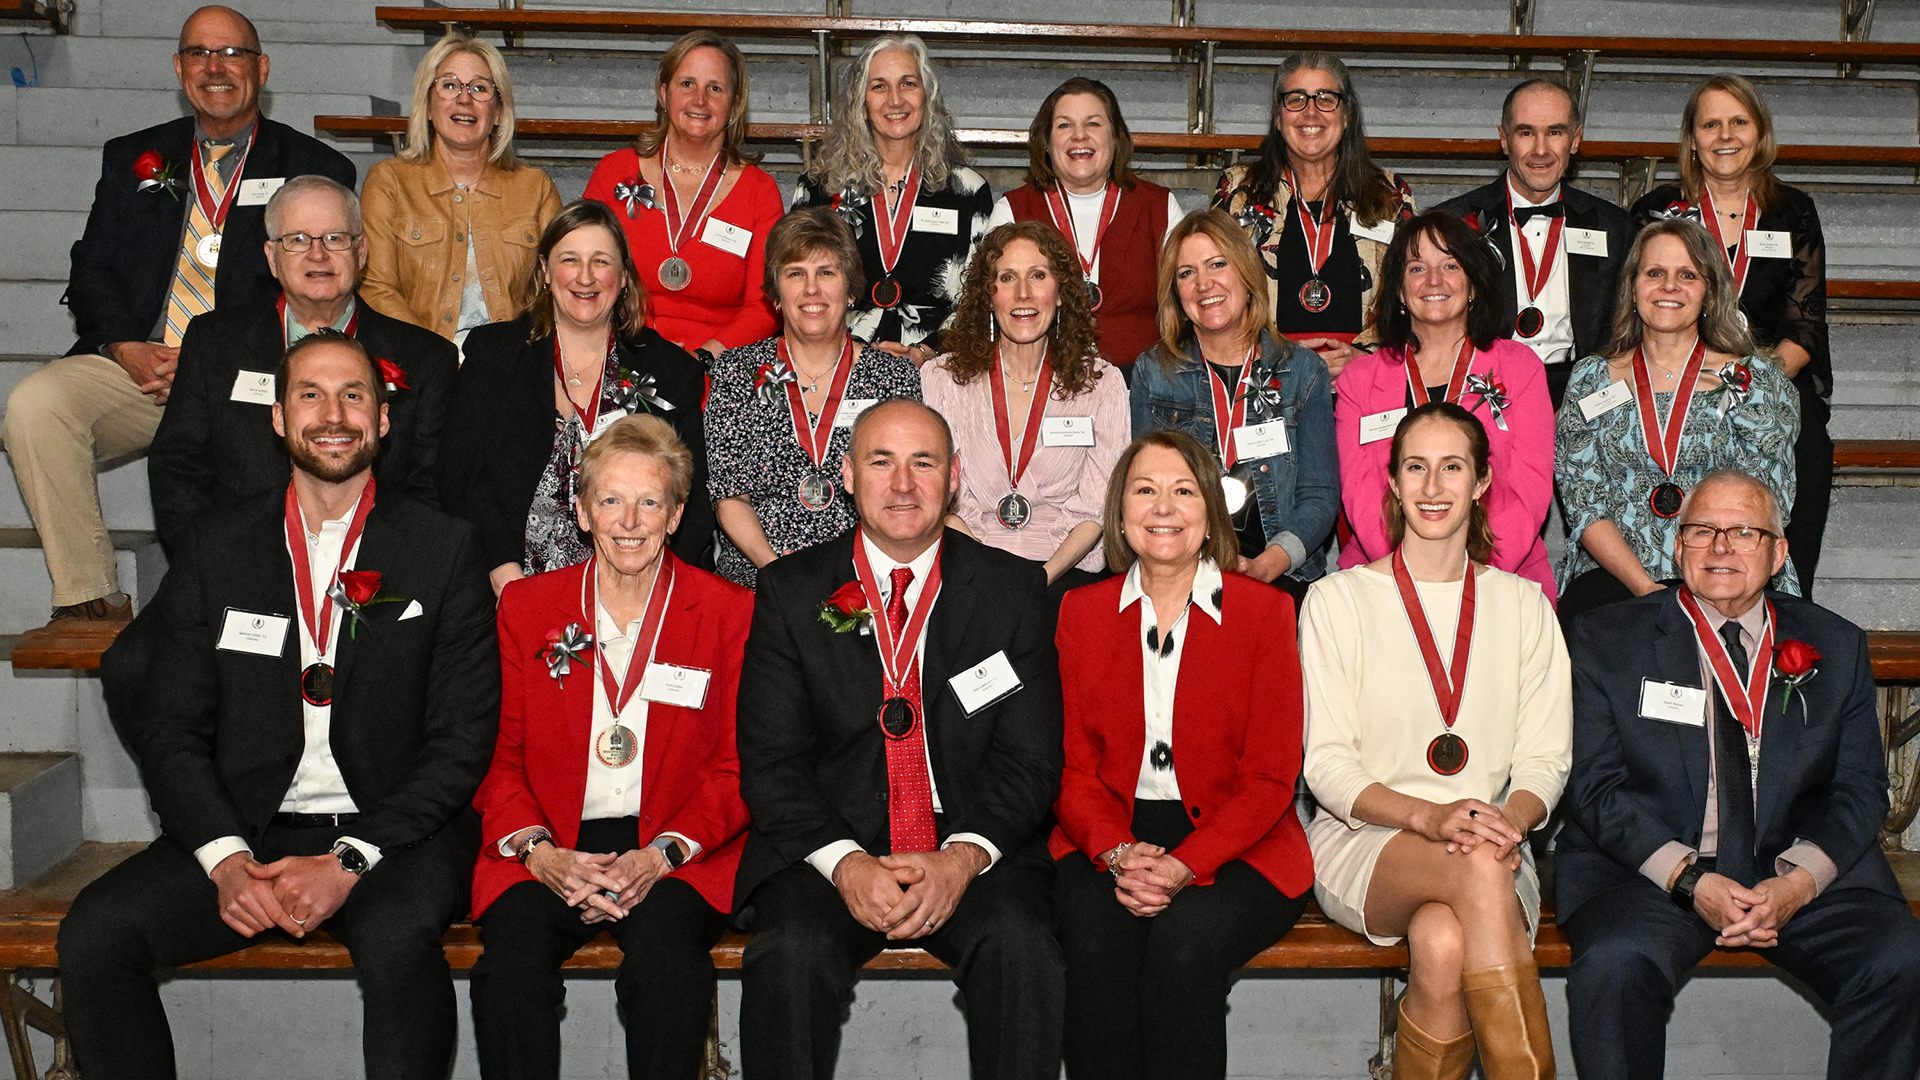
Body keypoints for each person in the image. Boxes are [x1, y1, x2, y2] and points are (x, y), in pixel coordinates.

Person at [62, 332, 499, 1078]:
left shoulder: (444, 547)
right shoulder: (217, 545)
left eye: (354, 395)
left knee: (399, 938)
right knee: (96, 932)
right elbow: (172, 726)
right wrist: (227, 860)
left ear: (384, 419)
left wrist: (347, 861)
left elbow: (461, 742)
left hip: (392, 836)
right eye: (311, 395)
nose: (334, 415)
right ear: (277, 418)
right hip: (252, 830)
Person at [734, 397, 1066, 1080]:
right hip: (829, 846)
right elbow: (773, 764)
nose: (904, 484)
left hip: (968, 846)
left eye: (924, 463)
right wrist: (848, 864)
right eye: (881, 462)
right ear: (849, 475)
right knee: (788, 954)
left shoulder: (1013, 590)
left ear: (953, 477)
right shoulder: (795, 593)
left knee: (1022, 947)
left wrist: (959, 860)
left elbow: (1030, 762)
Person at [1557, 469, 1920, 1080]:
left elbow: (1861, 789)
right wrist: (1688, 879)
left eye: (1744, 532)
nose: (1721, 547)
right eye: (1703, 530)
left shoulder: (1834, 643)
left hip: (1791, 870)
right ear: (1676, 545)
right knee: (1615, 963)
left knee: (1901, 959)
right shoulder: (1605, 640)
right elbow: (1594, 788)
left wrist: (1799, 884)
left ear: (1779, 553)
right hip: (1651, 874)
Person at [3, 4, 354, 631]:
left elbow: (315, 291)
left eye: (232, 54)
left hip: (250, 373)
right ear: (179, 67)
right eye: (200, 54)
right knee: (36, 404)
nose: (215, 68)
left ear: (261, 68)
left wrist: (212, 358)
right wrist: (122, 347)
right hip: (145, 364)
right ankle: (90, 597)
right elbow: (92, 270)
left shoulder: (314, 167)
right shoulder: (134, 158)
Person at [469, 414, 752, 1080]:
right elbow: (498, 757)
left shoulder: (728, 611)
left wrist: (659, 856)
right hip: (551, 839)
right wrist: (540, 855)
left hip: (673, 847)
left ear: (677, 514)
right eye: (611, 501)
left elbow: (739, 767)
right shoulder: (527, 607)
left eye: (650, 501)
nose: (630, 521)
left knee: (667, 971)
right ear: (583, 511)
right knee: (507, 972)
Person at [1301, 402, 1571, 1080]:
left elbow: (1546, 758)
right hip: (1364, 837)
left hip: (1496, 838)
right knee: (1477, 872)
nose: (1432, 487)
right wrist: (1428, 816)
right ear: (1391, 482)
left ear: (1481, 482)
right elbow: (1326, 765)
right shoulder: (1336, 601)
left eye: (1452, 467)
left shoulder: (1524, 605)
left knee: (1443, 941)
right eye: (1415, 468)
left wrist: (1507, 822)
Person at [1051, 430, 1313, 1080]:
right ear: (1119, 512)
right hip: (1107, 831)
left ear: (1210, 512)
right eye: (1145, 490)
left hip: (1236, 838)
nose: (1163, 507)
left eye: (1182, 490)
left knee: (1183, 943)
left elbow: (1271, 777)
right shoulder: (1078, 614)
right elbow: (1068, 768)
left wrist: (1179, 867)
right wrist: (1116, 851)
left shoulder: (1266, 613)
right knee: (1093, 938)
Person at [150, 175, 457, 557]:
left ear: (361, 252)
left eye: (335, 238)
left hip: (377, 572)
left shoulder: (426, 357)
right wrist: (213, 564)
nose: (318, 254)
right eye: (297, 240)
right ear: (271, 258)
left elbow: (430, 487)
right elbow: (179, 467)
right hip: (240, 560)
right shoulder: (215, 343)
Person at [440, 200, 713, 595]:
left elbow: (695, 496)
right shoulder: (493, 356)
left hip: (641, 586)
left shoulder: (671, 371)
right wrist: (505, 575)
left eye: (601, 262)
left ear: (622, 277)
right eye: (570, 260)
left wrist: (652, 587)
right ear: (546, 272)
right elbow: (460, 479)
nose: (585, 278)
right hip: (510, 586)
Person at [1631, 75, 1833, 596]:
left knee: (1807, 440)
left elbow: (1805, 326)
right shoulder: (1658, 210)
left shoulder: (1793, 211)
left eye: (1739, 121)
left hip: (1767, 378)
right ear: (1692, 138)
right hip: (1674, 380)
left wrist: (1745, 382)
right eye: (1711, 123)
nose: (1726, 135)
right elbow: (1640, 308)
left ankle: (1787, 600)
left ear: (1759, 133)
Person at [1555, 217, 1800, 621]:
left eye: (1687, 274)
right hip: (1616, 578)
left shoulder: (1754, 381)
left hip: (1729, 572)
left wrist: (1706, 585)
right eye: (1655, 273)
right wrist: (1647, 590)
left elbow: (1766, 504)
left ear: (1708, 292)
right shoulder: (1591, 378)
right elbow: (1585, 506)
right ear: (1633, 288)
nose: (1669, 286)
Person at [1336, 211, 1556, 602]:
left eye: (1450, 265)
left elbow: (1529, 493)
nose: (1433, 281)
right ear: (1400, 291)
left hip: (1501, 575)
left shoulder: (1520, 369)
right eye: (1417, 267)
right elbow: (1362, 498)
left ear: (1472, 284)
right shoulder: (1359, 381)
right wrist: (1409, 577)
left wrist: (1473, 576)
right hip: (1382, 580)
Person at [1131, 209, 1338, 606]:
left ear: (1245, 272)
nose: (1203, 284)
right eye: (1186, 273)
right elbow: (1143, 494)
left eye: (1217, 264)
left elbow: (1319, 495)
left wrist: (1267, 565)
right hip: (1180, 579)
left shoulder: (1302, 370)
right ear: (1175, 291)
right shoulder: (1153, 372)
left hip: (1281, 578)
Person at [704, 208, 920, 589]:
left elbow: (903, 494)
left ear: (851, 289)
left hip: (865, 578)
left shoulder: (893, 377)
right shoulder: (736, 373)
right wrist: (778, 572)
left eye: (826, 272)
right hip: (759, 578)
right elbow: (729, 498)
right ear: (775, 293)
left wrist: (859, 572)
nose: (811, 290)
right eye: (795, 274)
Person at [921, 221, 1129, 590]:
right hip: (969, 573)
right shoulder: (942, 379)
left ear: (1061, 292)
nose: (1022, 294)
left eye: (1037, 275)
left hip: (1065, 576)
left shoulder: (1102, 383)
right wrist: (987, 575)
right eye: (1007, 278)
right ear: (988, 294)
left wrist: (1039, 579)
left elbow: (1100, 504)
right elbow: (938, 495)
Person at [790, 34, 993, 366]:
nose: (895, 100)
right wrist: (845, 351)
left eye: (908, 84)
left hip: (936, 365)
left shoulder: (967, 191)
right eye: (879, 86)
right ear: (861, 104)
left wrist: (927, 351)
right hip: (836, 360)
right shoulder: (819, 189)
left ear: (927, 98)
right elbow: (795, 286)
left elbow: (981, 299)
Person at [1435, 78, 1637, 409]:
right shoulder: (1455, 222)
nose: (1541, 150)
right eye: (1526, 132)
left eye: (1555, 132)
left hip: (1582, 393)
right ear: (1504, 139)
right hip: (1481, 388)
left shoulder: (1614, 227)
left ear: (1576, 139)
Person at [1212, 51, 1413, 378]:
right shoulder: (1240, 192)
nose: (1310, 111)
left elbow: (1412, 294)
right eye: (1296, 99)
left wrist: (1365, 359)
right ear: (1278, 117)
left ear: (1346, 115)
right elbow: (1216, 289)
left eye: (1325, 98)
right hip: (1266, 377)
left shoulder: (1389, 195)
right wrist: (1276, 356)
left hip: (1364, 379)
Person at [584, 31, 781, 361]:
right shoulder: (614, 173)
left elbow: (764, 305)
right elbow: (585, 275)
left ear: (734, 105)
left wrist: (703, 357)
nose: (700, 99)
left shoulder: (759, 192)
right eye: (687, 84)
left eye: (715, 88)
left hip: (718, 367)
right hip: (622, 354)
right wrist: (639, 350)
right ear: (664, 93)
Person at [360, 33, 562, 348]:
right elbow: (377, 289)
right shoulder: (389, 182)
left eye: (480, 88)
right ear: (427, 104)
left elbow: (555, 290)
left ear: (497, 112)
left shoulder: (535, 188)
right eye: (450, 85)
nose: (464, 99)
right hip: (419, 362)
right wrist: (436, 359)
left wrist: (512, 358)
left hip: (511, 363)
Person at [985, 77, 1182, 376]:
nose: (1079, 136)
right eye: (1064, 125)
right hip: (1041, 382)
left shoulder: (1160, 207)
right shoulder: (1012, 210)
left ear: (1116, 137)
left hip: (1143, 386)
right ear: (1046, 142)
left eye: (1093, 124)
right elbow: (986, 302)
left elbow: (1187, 303)